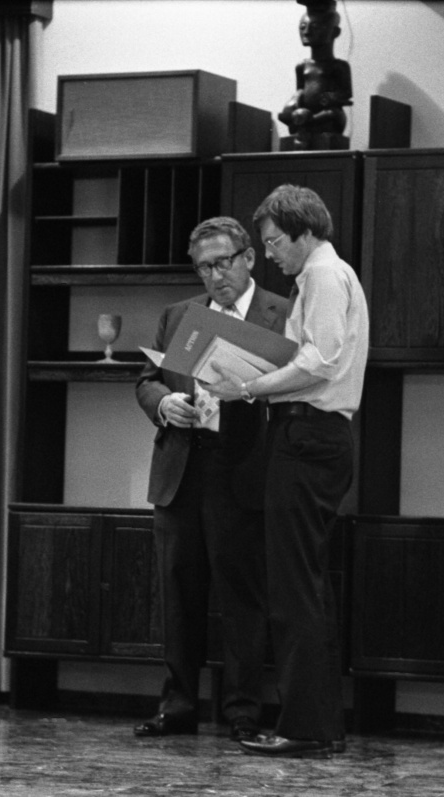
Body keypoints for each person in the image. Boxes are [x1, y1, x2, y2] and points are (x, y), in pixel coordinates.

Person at [207, 185, 369, 759]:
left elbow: (318, 362)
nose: (270, 253)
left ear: (304, 231)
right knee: (301, 585)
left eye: (274, 241)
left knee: (295, 588)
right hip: (309, 437)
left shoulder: (325, 276)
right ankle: (314, 724)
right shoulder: (320, 277)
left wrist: (246, 386)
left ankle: (306, 728)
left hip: (309, 437)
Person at [133, 216, 291, 743]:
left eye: (223, 262)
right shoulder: (179, 315)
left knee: (242, 600)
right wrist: (165, 403)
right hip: (181, 471)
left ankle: (243, 712)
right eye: (204, 266)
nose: (214, 275)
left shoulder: (283, 314)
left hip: (243, 471)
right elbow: (148, 380)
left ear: (248, 257)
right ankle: (177, 707)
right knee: (178, 595)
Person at [278, 0, 353, 150]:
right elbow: (300, 89)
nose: (307, 32)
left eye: (316, 27)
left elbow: (346, 93)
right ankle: (304, 121)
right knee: (285, 115)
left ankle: (305, 123)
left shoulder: (339, 66)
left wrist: (333, 97)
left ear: (335, 32)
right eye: (303, 27)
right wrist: (294, 103)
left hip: (326, 115)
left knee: (332, 115)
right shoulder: (302, 66)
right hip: (306, 112)